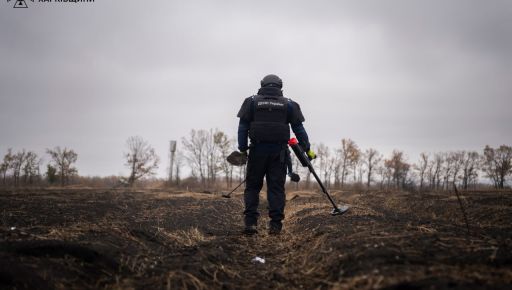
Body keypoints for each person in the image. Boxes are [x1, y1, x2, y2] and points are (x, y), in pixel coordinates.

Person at [236, 74, 315, 235]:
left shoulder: (251, 102)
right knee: (276, 189)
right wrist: (307, 149)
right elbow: (299, 129)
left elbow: (243, 127)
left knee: (252, 187)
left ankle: (250, 224)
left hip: (257, 151)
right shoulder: (290, 105)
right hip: (278, 154)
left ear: (262, 85)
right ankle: (275, 226)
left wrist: (243, 148)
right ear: (280, 86)